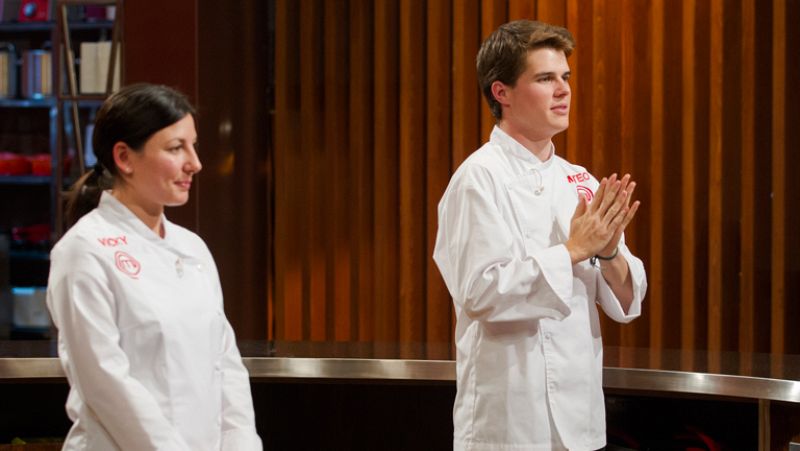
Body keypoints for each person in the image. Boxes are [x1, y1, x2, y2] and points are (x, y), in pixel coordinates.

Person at [433, 20, 647, 450]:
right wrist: (571, 251)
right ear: (502, 93)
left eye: (565, 77)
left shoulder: (579, 181)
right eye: (546, 78)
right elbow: (480, 292)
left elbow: (628, 303)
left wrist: (608, 254)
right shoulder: (478, 178)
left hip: (580, 418)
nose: (564, 90)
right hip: (509, 422)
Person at [46, 83, 262, 450]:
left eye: (193, 145)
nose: (195, 163)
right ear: (124, 158)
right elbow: (105, 382)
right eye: (176, 148)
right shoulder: (84, 251)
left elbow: (225, 366)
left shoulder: (192, 248)